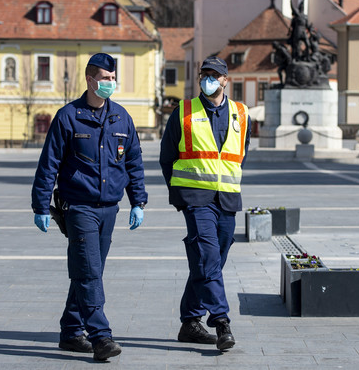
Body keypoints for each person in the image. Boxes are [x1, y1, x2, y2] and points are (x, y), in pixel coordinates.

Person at [31, 53, 147, 361]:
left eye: (113, 78)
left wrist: (139, 201)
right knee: (90, 271)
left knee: (88, 271)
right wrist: (41, 205)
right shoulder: (68, 116)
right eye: (105, 79)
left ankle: (71, 330)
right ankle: (100, 336)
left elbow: (134, 162)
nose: (110, 83)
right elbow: (49, 163)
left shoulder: (122, 117)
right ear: (90, 80)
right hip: (78, 207)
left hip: (110, 208)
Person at [159, 56, 251, 351]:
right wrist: (179, 193)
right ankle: (221, 321)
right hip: (196, 199)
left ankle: (190, 322)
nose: (208, 79)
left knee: (213, 259)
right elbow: (166, 156)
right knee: (209, 256)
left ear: (226, 80)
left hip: (227, 198)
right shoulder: (184, 111)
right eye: (204, 74)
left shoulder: (241, 113)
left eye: (214, 75)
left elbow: (239, 154)